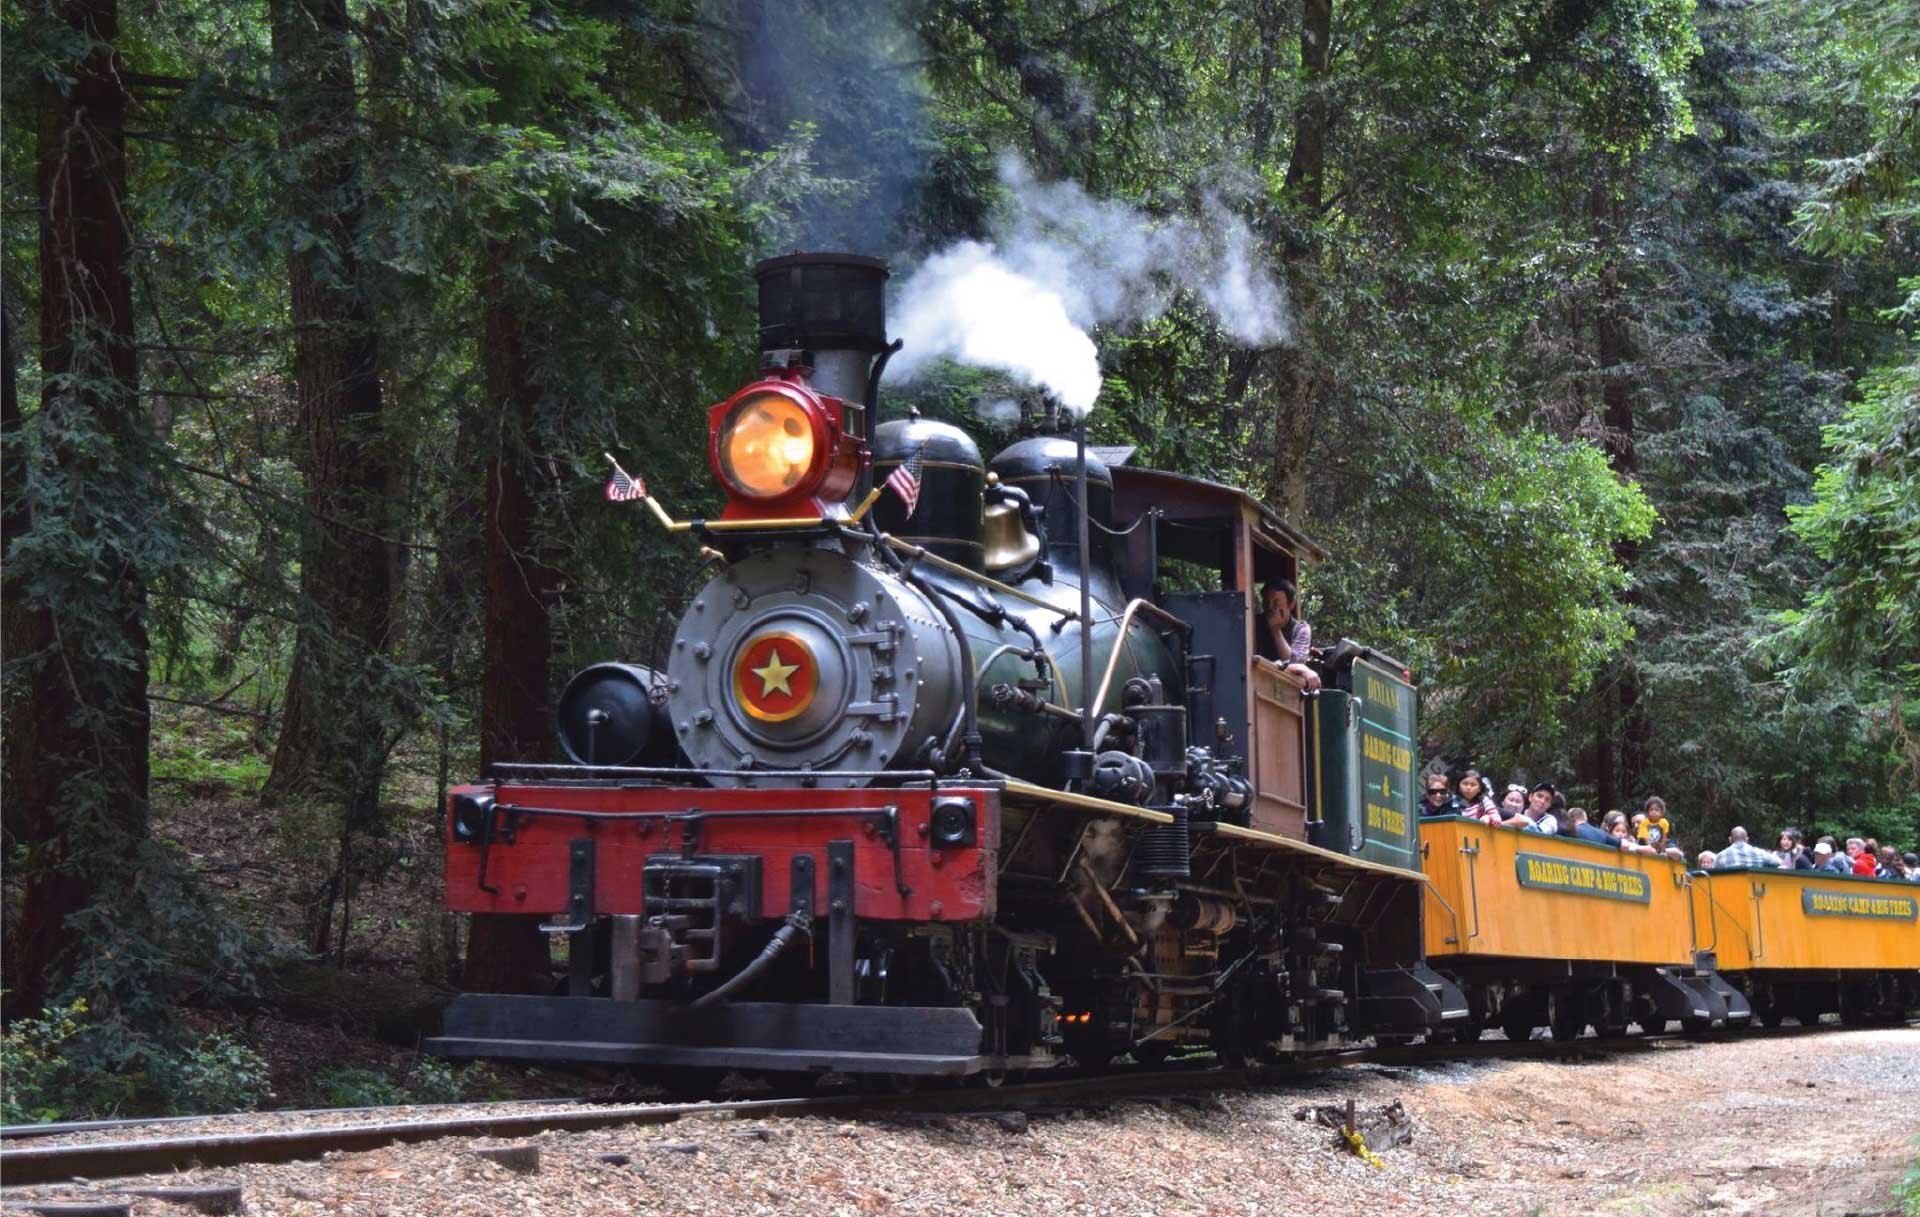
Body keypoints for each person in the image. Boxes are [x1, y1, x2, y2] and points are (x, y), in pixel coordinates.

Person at [1255, 579, 1321, 691]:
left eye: (1276, 603)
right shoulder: (1254, 623)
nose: (1270, 607)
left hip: (1287, 690)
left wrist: (1275, 630)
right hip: (1258, 684)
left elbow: (1295, 663)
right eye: (1266, 602)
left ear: (1291, 604)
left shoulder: (1300, 629)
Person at [1714, 826, 1780, 870]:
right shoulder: (1759, 853)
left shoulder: (1720, 856)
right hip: (1754, 889)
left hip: (1731, 889)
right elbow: (1778, 862)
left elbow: (1714, 875)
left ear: (1730, 839)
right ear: (1747, 839)